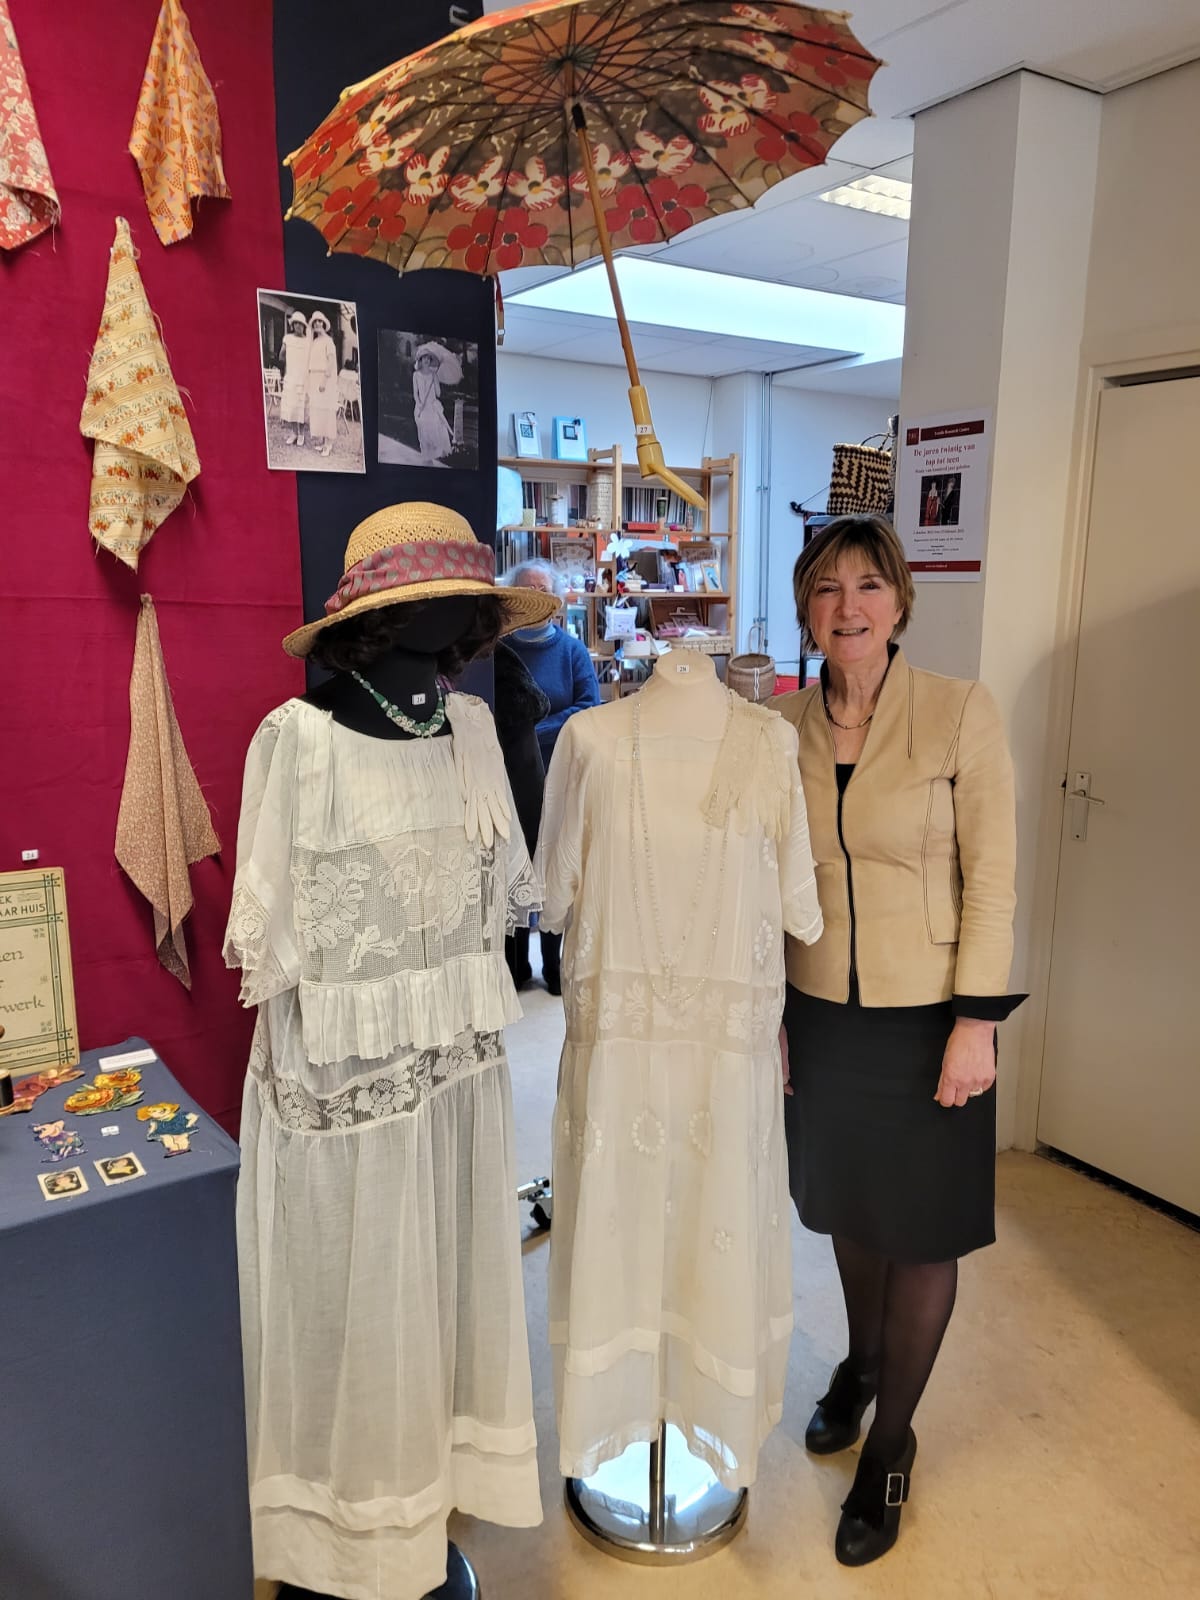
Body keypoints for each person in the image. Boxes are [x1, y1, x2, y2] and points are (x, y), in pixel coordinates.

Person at [774, 515, 1022, 1568]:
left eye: (869, 585)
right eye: (828, 590)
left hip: (931, 1017)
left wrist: (977, 1021)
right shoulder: (777, 727)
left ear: (901, 601)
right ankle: (862, 1357)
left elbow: (995, 875)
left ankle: (892, 1441)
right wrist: (771, 1014)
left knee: (919, 1231)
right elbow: (767, 885)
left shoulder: (960, 713)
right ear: (805, 608)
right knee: (847, 1208)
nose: (849, 607)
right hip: (822, 1011)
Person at [504, 559, 600, 993]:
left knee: (556, 866)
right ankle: (515, 965)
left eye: (545, 592)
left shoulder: (572, 651)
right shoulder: (499, 651)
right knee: (516, 864)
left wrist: (533, 729)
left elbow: (588, 708)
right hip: (511, 774)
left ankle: (553, 963)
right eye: (528, 591)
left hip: (561, 773)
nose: (538, 600)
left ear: (557, 601)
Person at [492, 638, 551, 989]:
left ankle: (518, 969)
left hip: (514, 769)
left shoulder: (494, 659)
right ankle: (523, 968)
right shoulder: (503, 657)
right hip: (524, 768)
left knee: (514, 866)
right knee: (524, 865)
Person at [305, 310, 338, 458]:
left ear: (324, 324)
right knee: (319, 410)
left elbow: (330, 362)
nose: (317, 324)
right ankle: (324, 442)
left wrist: (324, 380)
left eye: (320, 321)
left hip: (325, 380)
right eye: (315, 322)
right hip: (315, 379)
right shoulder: (315, 341)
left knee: (327, 411)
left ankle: (329, 444)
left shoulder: (328, 341)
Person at [413, 350, 455, 462]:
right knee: (424, 433)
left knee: (435, 432)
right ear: (420, 360)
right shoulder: (416, 375)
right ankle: (427, 458)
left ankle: (434, 458)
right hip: (421, 407)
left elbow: (438, 394)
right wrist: (419, 403)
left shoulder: (433, 375)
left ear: (430, 361)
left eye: (428, 358)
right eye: (424, 358)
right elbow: (415, 393)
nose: (426, 360)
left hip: (432, 407)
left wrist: (436, 381)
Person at [279, 310, 310, 449]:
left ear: (304, 326)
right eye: (296, 324)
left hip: (304, 378)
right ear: (293, 325)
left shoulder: (308, 341)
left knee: (301, 407)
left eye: (301, 324)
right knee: (291, 405)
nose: (298, 326)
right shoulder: (287, 339)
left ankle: (302, 434)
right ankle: (294, 433)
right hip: (291, 376)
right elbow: (281, 356)